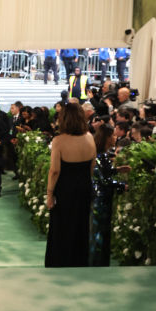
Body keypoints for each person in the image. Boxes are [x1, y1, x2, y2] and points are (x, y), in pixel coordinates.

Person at [44, 100, 96, 267]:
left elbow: (54, 171)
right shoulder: (89, 137)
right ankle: (79, 261)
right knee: (81, 226)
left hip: (65, 190)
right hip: (84, 187)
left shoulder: (59, 141)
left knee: (62, 227)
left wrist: (49, 194)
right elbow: (92, 166)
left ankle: (60, 261)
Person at [90, 123, 127, 266]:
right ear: (106, 137)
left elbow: (104, 173)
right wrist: (122, 185)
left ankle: (97, 261)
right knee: (100, 232)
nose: (115, 137)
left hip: (99, 196)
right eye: (112, 135)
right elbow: (104, 180)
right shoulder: (102, 155)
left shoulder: (100, 154)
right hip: (101, 198)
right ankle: (97, 263)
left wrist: (116, 170)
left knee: (99, 231)